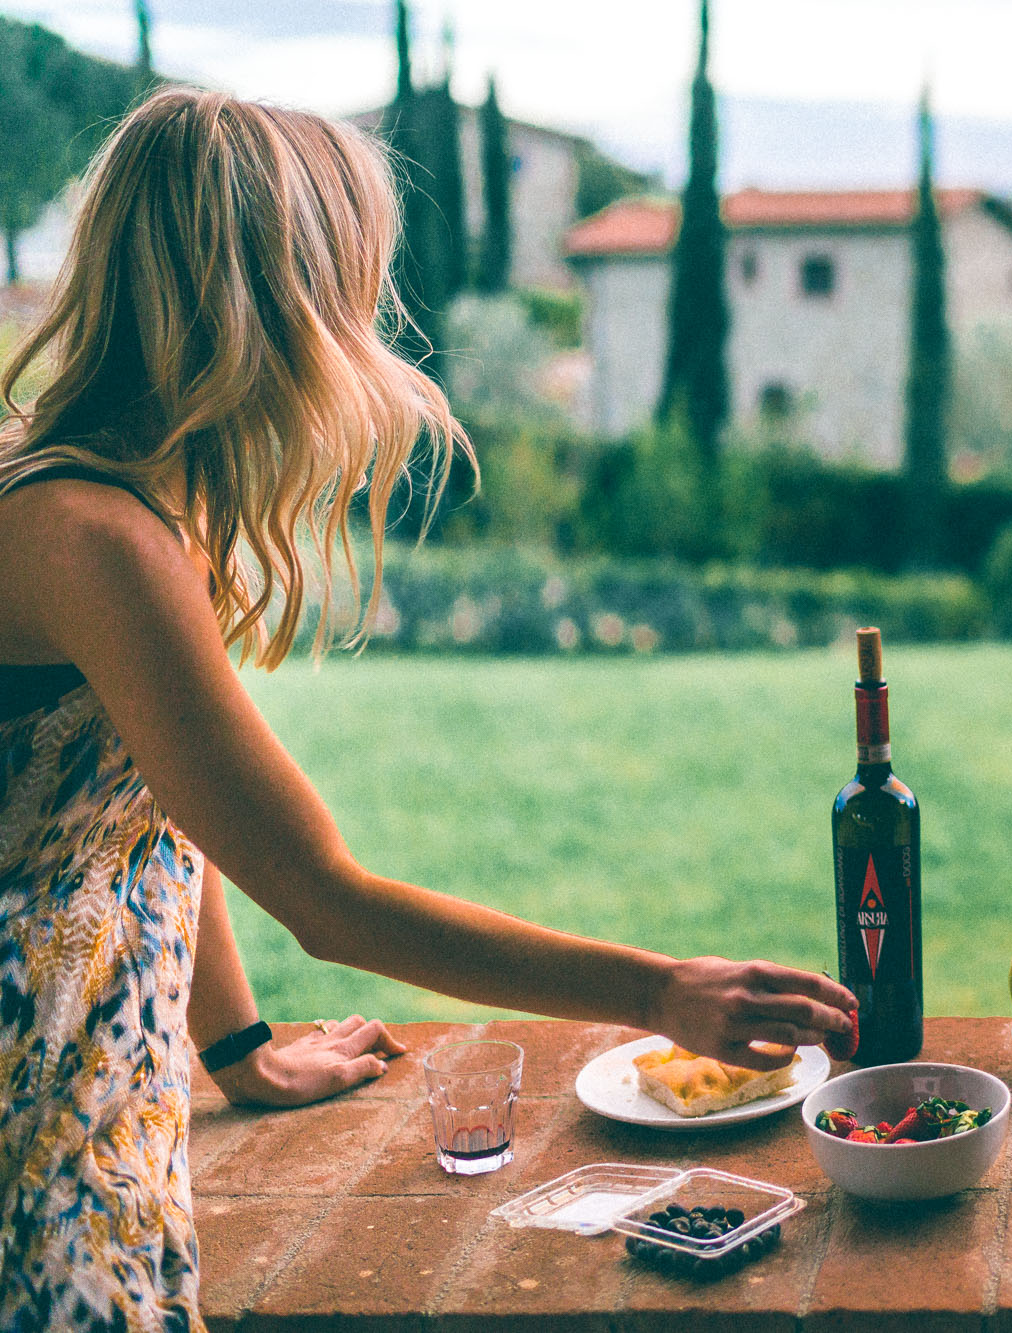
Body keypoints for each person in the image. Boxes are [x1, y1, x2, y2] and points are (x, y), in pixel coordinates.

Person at [0, 88, 854, 1332]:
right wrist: (665, 991)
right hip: (33, 1117)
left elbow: (166, 807)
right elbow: (326, 899)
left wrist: (238, 1048)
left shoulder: (107, 491)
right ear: (283, 295)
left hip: (90, 1088)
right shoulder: (91, 535)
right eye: (353, 273)